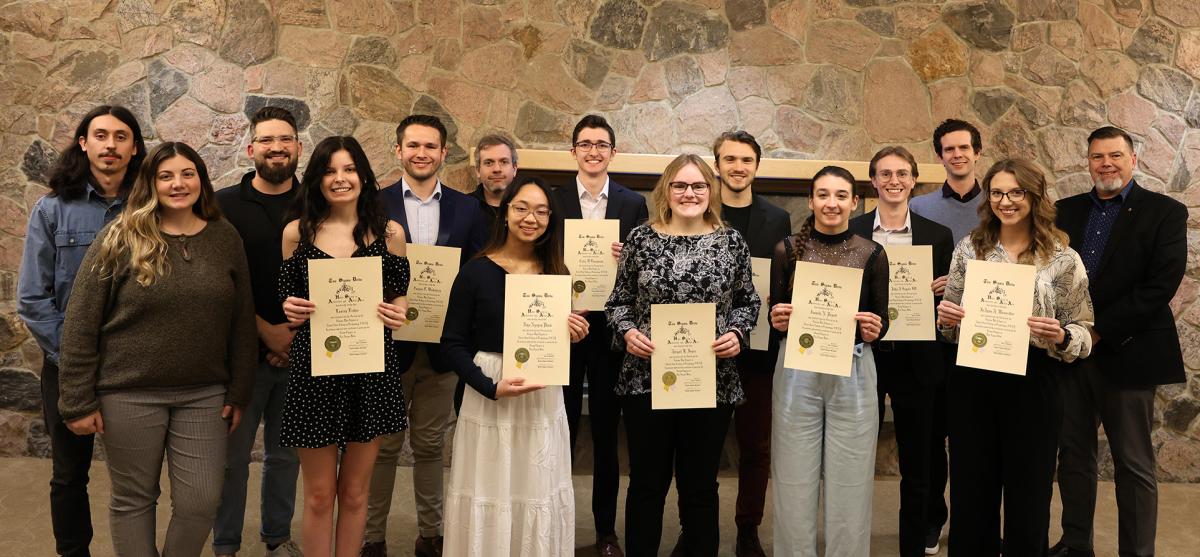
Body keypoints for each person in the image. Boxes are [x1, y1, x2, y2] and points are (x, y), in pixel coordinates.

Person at [57, 141, 255, 556]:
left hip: (204, 394)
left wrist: (239, 390)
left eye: (187, 174)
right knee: (134, 498)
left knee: (201, 501)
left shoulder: (225, 237)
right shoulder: (120, 237)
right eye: (166, 176)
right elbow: (80, 322)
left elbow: (241, 321)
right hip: (128, 393)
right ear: (151, 183)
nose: (178, 183)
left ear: (201, 181)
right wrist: (76, 400)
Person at [936, 158, 1094, 557]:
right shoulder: (969, 248)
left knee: (1030, 494)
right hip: (973, 380)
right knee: (972, 491)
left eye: (1016, 192)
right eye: (997, 193)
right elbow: (950, 324)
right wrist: (947, 318)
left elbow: (1085, 329)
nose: (1005, 201)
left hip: (1034, 382)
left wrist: (1061, 335)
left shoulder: (1063, 258)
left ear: (1035, 196)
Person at [607, 153, 760, 557]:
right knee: (646, 484)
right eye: (680, 185)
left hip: (709, 381)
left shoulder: (732, 242)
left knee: (700, 487)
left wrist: (737, 333)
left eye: (698, 185)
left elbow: (748, 302)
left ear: (710, 191)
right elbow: (618, 302)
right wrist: (628, 332)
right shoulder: (640, 239)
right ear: (666, 190)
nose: (689, 193)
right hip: (645, 379)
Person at [1050, 127, 1188, 557]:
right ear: (1088, 162)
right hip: (1071, 355)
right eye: (1097, 156)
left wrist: (1099, 331)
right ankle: (1076, 545)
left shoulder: (1165, 212)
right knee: (1073, 458)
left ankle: (1137, 552)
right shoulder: (1063, 211)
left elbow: (1160, 285)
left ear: (1133, 160)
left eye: (1115, 155)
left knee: (1133, 463)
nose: (1106, 163)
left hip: (1130, 352)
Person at [17, 104, 145, 557]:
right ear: (84, 143)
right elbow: (33, 299)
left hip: (136, 367)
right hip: (69, 367)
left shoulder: (151, 209)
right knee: (69, 475)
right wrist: (73, 358)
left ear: (135, 148)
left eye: (121, 137)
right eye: (101, 135)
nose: (111, 145)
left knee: (140, 477)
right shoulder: (52, 210)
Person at [440, 176, 590, 556]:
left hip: (541, 398)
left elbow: (553, 344)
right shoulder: (475, 271)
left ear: (550, 219)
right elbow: (452, 343)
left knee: (536, 488)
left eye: (541, 211)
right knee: (490, 490)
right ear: (505, 212)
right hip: (490, 394)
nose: (530, 218)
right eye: (521, 208)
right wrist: (490, 387)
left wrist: (572, 334)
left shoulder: (557, 274)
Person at [278, 136, 411, 557]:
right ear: (316, 179)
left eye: (349, 169)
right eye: (330, 170)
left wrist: (399, 312)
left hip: (370, 373)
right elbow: (288, 303)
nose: (340, 178)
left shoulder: (390, 233)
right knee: (319, 496)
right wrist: (291, 308)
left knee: (355, 493)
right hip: (313, 373)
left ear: (363, 176)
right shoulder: (296, 233)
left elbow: (400, 297)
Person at [365, 115, 487, 557]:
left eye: (430, 146)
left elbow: (478, 275)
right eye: (413, 145)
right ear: (398, 150)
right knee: (382, 447)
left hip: (442, 348)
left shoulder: (467, 209)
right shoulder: (372, 206)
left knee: (431, 445)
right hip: (384, 345)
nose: (421, 153)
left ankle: (431, 535)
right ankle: (372, 538)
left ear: (443, 152)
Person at [768, 165, 889, 557]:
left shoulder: (872, 253)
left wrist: (873, 329)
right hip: (797, 370)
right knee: (792, 479)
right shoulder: (786, 250)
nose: (831, 203)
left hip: (853, 368)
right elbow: (776, 317)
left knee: (851, 481)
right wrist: (777, 319)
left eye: (840, 195)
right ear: (811, 201)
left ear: (854, 202)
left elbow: (881, 321)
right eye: (823, 194)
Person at [848, 147, 954, 557]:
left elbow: (948, 303)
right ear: (873, 181)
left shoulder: (937, 235)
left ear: (913, 181)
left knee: (919, 459)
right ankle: (852, 541)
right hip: (863, 354)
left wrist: (946, 290)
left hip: (918, 358)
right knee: (855, 453)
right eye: (885, 174)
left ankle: (915, 542)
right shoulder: (853, 230)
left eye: (902, 174)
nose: (894, 181)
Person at [554, 113, 649, 557]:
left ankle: (606, 532)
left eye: (601, 144)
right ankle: (554, 529)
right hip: (564, 328)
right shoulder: (553, 200)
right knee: (560, 429)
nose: (593, 151)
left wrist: (630, 255)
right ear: (573, 151)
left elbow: (646, 268)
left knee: (608, 435)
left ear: (614, 152)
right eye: (585, 144)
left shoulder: (633, 204)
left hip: (613, 334)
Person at [212, 106, 305, 557]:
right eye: (267, 140)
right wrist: (266, 332)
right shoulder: (222, 206)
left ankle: (277, 538)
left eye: (285, 139)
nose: (276, 147)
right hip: (239, 356)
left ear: (298, 148)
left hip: (303, 351)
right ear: (251, 149)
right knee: (232, 460)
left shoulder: (317, 204)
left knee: (286, 456)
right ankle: (226, 544)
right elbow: (217, 281)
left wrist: (292, 338)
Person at [710, 130, 791, 557]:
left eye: (746, 160)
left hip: (758, 348)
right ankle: (696, 528)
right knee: (701, 446)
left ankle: (748, 530)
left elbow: (784, 278)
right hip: (705, 349)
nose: (738, 167)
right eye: (729, 159)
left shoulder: (777, 218)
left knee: (756, 446)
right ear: (717, 165)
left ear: (757, 166)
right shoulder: (701, 208)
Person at [908, 118, 985, 554]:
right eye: (948, 149)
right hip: (933, 338)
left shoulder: (997, 204)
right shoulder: (919, 207)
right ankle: (932, 518)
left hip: (984, 337)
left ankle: (973, 523)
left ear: (977, 152)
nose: (957, 155)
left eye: (963, 148)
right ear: (939, 157)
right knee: (932, 435)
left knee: (975, 437)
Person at [469, 133, 520, 234]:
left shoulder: (526, 209)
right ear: (478, 170)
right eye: (489, 163)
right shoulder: (463, 207)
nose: (497, 169)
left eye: (504, 162)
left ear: (514, 169)